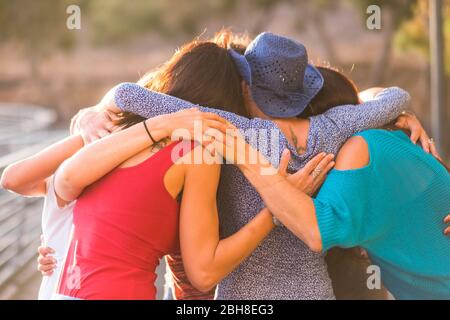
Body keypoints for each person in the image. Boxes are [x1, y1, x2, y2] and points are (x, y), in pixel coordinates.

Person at [65, 32, 430, 299]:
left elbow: (129, 94)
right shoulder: (333, 128)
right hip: (314, 290)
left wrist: (95, 111)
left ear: (248, 87)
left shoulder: (234, 131)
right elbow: (395, 96)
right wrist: (400, 112)